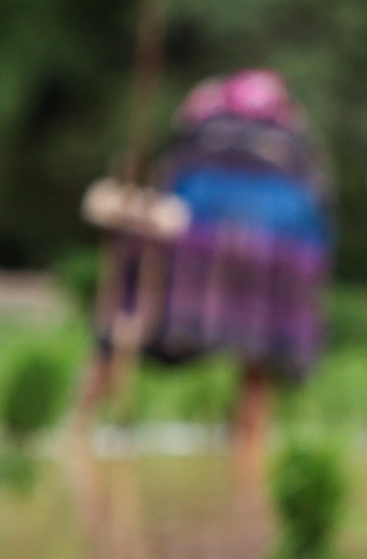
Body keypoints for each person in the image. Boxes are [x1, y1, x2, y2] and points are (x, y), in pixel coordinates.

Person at [94, 69, 329, 455]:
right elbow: (318, 211)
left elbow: (165, 194)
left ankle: (82, 428)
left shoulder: (202, 128)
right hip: (279, 251)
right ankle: (248, 451)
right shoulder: (293, 140)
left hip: (195, 240)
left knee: (123, 324)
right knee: (258, 361)